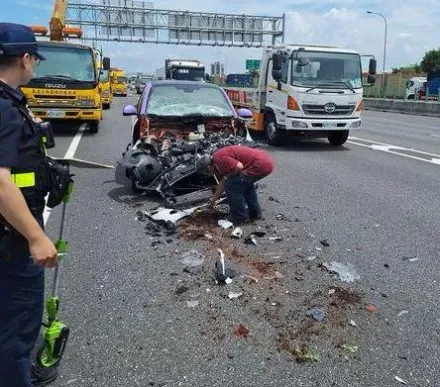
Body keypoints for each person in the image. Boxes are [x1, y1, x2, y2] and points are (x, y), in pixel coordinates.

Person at [0, 23, 59, 387]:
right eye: (34, 59)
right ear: (24, 58)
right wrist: (36, 238)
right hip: (11, 242)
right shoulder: (5, 109)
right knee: (16, 332)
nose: (34, 65)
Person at [197, 145, 274, 224]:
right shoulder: (217, 158)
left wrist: (228, 176)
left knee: (232, 187)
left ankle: (240, 218)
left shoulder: (219, 159)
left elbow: (239, 167)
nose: (210, 174)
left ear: (209, 167)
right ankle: (255, 213)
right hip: (264, 162)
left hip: (259, 164)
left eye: (208, 172)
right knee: (244, 185)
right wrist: (214, 198)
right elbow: (223, 181)